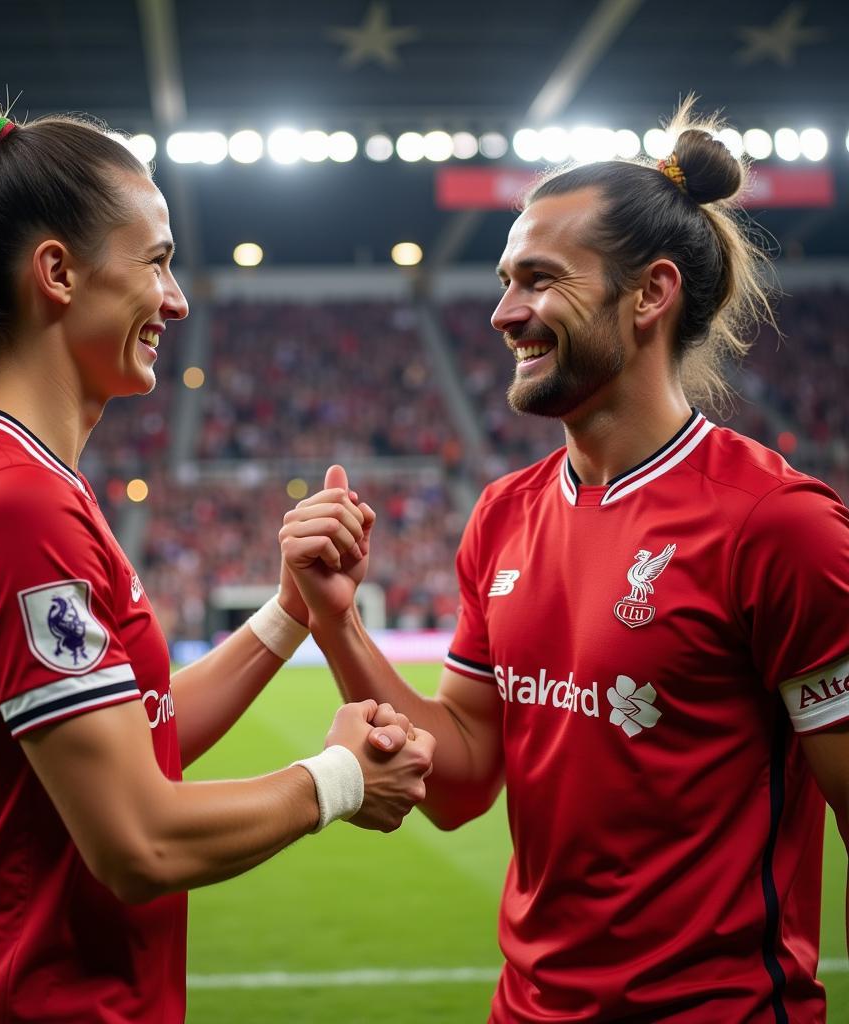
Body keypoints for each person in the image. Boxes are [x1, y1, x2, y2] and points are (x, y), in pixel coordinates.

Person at [0, 83, 434, 1023]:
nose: (178, 299)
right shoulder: (12, 504)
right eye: (156, 262)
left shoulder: (7, 477)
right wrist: (340, 779)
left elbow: (133, 738)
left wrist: (288, 615)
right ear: (59, 274)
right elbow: (136, 842)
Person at [281, 105, 849, 1023]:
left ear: (651, 294)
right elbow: (461, 779)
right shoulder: (503, 516)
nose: (504, 313)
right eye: (506, 281)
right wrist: (337, 622)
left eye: (539, 281)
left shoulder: (777, 527)